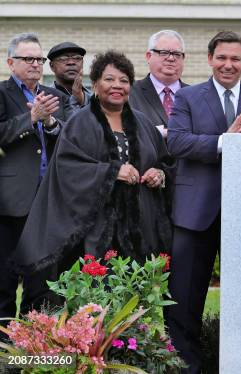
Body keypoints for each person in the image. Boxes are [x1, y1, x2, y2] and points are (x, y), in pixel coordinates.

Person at [165, 30, 241, 373]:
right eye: (221, 58)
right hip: (195, 213)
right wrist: (225, 142)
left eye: (235, 59)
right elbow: (177, 143)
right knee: (184, 298)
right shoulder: (187, 97)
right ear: (209, 60)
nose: (228, 65)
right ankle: (186, 365)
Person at [14, 50, 174, 273]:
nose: (117, 85)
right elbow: (66, 168)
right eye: (109, 79)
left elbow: (165, 161)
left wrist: (159, 174)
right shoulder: (80, 123)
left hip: (140, 228)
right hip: (95, 230)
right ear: (95, 84)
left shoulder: (143, 123)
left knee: (139, 296)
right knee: (99, 298)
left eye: (124, 80)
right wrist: (112, 172)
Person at [0, 33, 73, 322]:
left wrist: (51, 122)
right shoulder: (2, 94)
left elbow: (71, 138)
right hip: (10, 203)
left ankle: (35, 344)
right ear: (10, 62)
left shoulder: (55, 96)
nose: (35, 64)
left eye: (38, 59)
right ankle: (4, 351)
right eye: (27, 59)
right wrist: (31, 119)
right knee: (4, 281)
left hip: (49, 202)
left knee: (43, 281)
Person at [129, 30, 188, 138]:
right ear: (148, 56)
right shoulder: (129, 92)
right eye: (164, 52)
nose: (171, 58)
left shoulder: (196, 95)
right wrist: (161, 132)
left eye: (177, 54)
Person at [48, 41, 92, 108]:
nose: (71, 62)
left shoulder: (96, 99)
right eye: (63, 58)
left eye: (77, 58)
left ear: (82, 63)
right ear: (52, 66)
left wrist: (82, 100)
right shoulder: (44, 98)